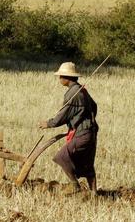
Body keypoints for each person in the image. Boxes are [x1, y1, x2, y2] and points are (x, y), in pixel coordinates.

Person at [39, 62, 98, 194]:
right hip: (90, 131)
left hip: (82, 133)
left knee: (61, 157)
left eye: (60, 76)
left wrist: (49, 123)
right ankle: (94, 193)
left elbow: (63, 115)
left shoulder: (73, 94)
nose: (59, 79)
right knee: (87, 162)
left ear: (67, 77)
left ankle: (75, 185)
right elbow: (94, 107)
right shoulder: (81, 90)